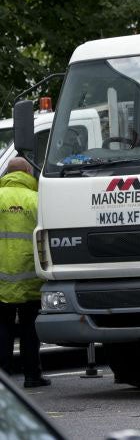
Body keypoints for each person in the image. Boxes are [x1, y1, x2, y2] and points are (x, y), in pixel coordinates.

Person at [0, 157, 48, 388]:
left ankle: (4, 378)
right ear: (28, 172)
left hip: (0, 278)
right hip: (31, 276)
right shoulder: (37, 200)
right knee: (30, 329)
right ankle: (32, 375)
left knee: (3, 328)